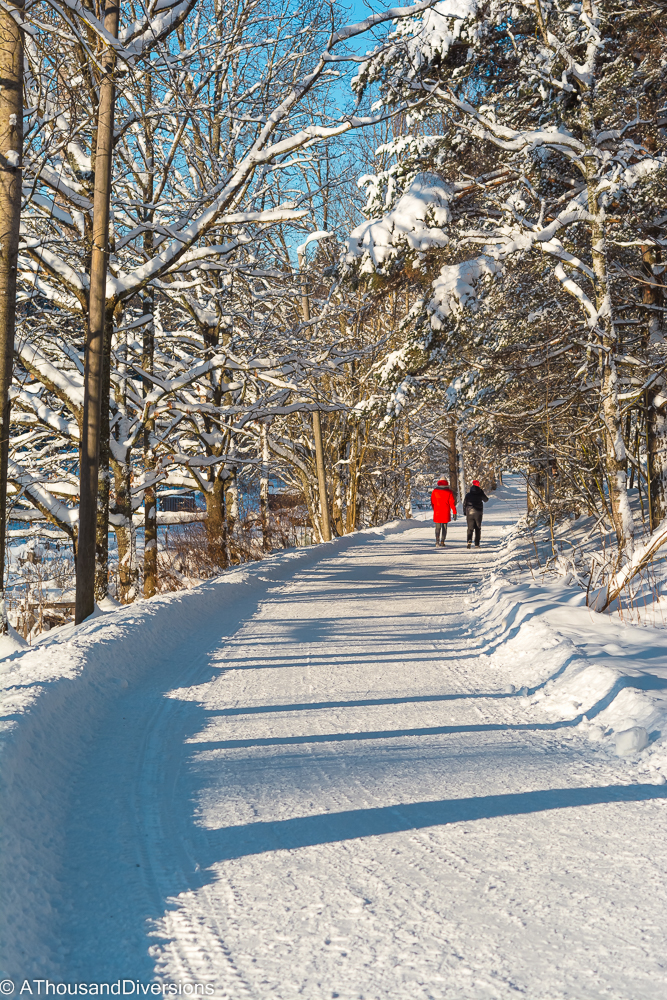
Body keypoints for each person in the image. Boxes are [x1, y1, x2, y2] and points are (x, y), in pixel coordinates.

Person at [430, 478, 457, 547]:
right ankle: (442, 541)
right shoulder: (449, 492)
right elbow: (452, 503)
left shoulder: (435, 491)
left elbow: (432, 502)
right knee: (444, 527)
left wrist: (435, 509)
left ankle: (437, 541)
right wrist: (454, 512)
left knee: (437, 527)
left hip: (437, 511)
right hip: (446, 511)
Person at [463, 479, 489, 549]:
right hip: (478, 513)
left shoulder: (468, 494)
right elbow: (486, 500)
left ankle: (469, 540)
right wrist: (482, 493)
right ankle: (477, 544)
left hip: (469, 513)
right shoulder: (480, 493)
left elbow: (464, 504)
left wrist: (465, 512)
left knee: (470, 528)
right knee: (478, 528)